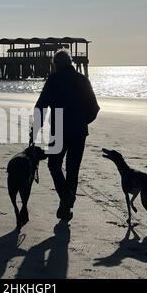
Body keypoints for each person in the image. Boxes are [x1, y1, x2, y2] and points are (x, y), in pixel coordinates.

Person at [34, 50, 99, 220]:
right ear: (70, 62)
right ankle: (66, 206)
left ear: (55, 64)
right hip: (79, 131)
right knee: (73, 170)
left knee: (54, 165)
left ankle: (65, 198)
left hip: (59, 129)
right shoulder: (82, 79)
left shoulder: (53, 80)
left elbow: (41, 106)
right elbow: (94, 108)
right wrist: (83, 121)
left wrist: (35, 129)